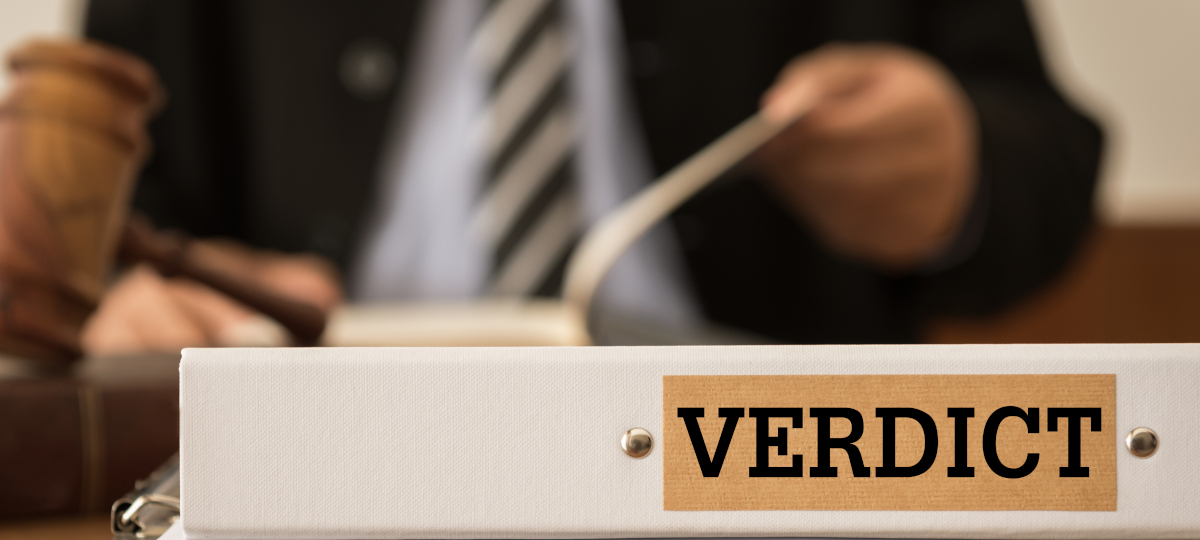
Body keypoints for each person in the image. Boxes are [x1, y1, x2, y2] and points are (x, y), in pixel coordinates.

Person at [80, 0, 1102, 352]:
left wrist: (958, 172)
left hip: (756, 480)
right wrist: (125, 296)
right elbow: (116, 212)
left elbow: (1046, 164)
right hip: (312, 464)